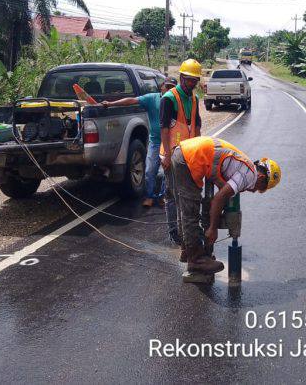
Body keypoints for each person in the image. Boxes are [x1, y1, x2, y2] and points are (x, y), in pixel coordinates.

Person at [169, 135, 281, 274]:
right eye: (260, 188)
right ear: (261, 178)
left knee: (184, 208)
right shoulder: (249, 175)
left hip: (183, 153)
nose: (254, 191)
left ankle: (188, 250)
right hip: (190, 158)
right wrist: (213, 228)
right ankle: (196, 261)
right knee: (190, 212)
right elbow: (218, 199)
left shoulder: (244, 165)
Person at [102, 76, 177, 207]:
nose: (170, 90)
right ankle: (150, 196)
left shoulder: (177, 101)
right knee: (149, 171)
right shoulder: (152, 98)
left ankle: (164, 195)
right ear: (162, 87)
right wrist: (111, 103)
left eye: (173, 88)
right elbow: (131, 100)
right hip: (155, 142)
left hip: (171, 143)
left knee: (168, 172)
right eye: (168, 87)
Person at [160, 59, 203, 244]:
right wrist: (168, 156)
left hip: (189, 154)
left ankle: (187, 230)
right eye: (189, 80)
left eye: (195, 80)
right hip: (172, 153)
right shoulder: (169, 98)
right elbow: (163, 128)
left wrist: (199, 150)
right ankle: (174, 232)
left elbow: (197, 125)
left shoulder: (194, 99)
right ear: (181, 77)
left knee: (187, 193)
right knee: (172, 194)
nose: (192, 84)